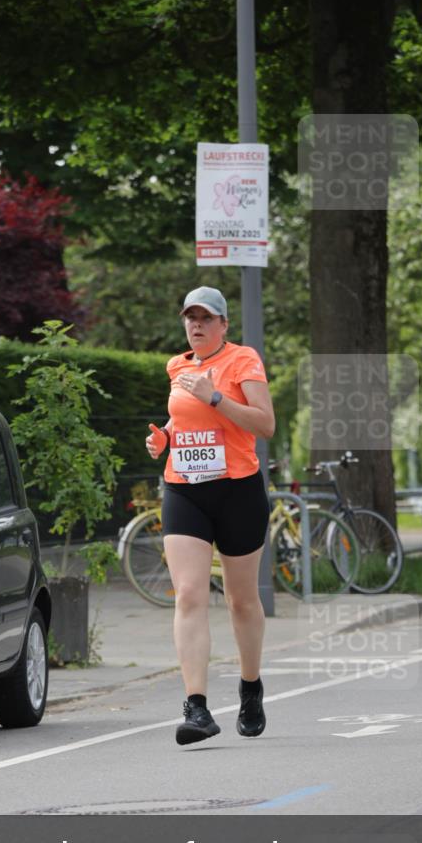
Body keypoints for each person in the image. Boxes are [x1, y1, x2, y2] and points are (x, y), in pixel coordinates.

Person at [146, 286, 275, 745]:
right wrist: (163, 438)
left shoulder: (243, 361)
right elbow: (182, 422)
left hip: (238, 490)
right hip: (185, 489)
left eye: (206, 318)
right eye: (190, 317)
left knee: (241, 601)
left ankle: (251, 687)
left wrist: (216, 396)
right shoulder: (176, 366)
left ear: (224, 324)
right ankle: (196, 707)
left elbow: (265, 424)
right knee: (189, 595)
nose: (196, 325)